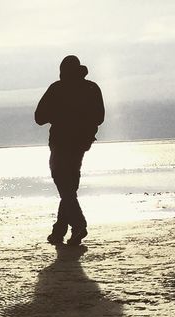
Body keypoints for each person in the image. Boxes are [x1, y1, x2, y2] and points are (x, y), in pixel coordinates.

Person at [35, 55, 105, 246]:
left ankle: (78, 225)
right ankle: (59, 231)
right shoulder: (90, 88)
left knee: (65, 186)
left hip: (62, 143)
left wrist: (60, 114)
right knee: (69, 188)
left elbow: (39, 117)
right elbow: (99, 117)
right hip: (80, 145)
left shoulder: (58, 88)